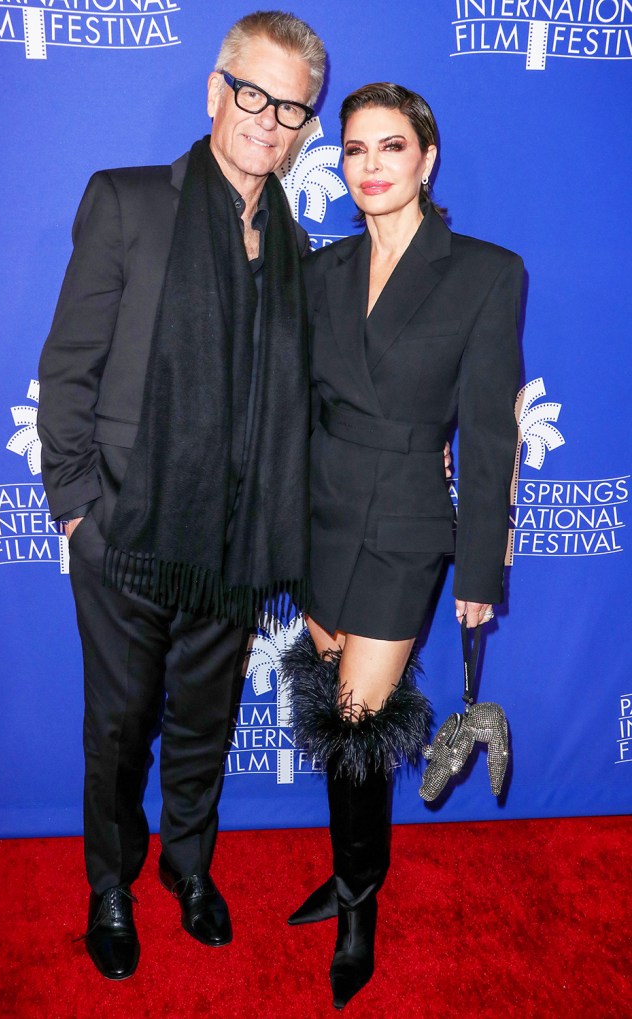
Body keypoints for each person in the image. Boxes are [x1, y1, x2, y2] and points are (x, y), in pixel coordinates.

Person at [37, 11, 325, 980]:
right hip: (124, 526)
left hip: (234, 541)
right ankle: (110, 884)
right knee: (118, 727)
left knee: (203, 720)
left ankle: (187, 867)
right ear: (215, 92)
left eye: (292, 108)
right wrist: (79, 502)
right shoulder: (127, 202)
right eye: (254, 94)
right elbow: (69, 363)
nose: (269, 121)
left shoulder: (294, 242)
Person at [281, 83, 523, 1009]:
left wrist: (481, 566)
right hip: (320, 515)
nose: (371, 166)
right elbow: (295, 414)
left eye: (391, 147)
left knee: (352, 712)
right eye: (354, 150)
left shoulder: (486, 273)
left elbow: (492, 436)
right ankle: (356, 865)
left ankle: (356, 901)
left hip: (408, 521)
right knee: (342, 709)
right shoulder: (321, 271)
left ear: (428, 158)